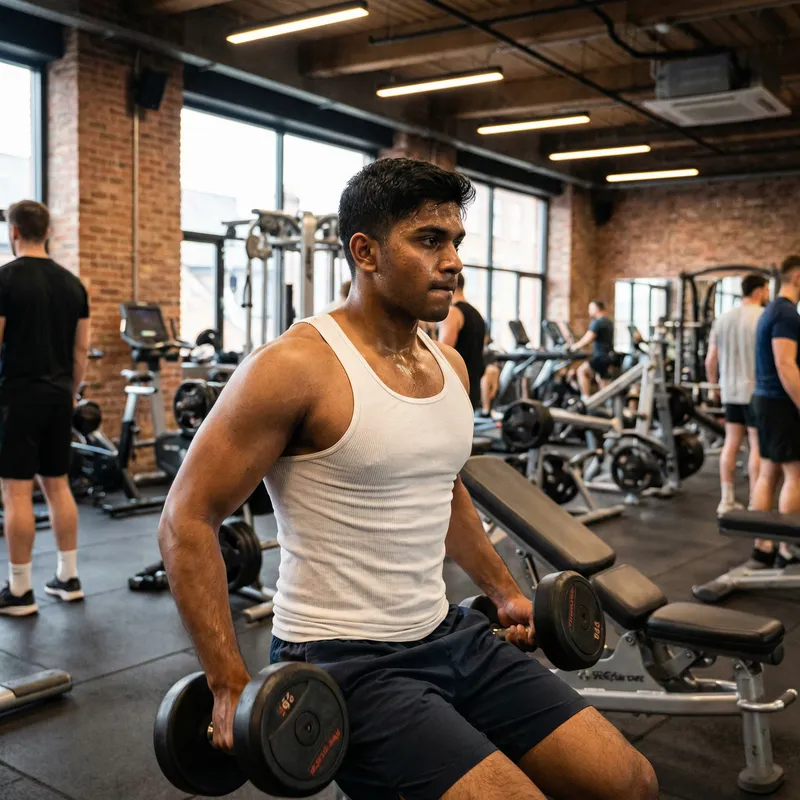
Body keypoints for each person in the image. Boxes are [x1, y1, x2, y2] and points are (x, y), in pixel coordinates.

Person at [158, 159, 657, 800]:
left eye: (455, 243)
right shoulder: (293, 368)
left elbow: (444, 489)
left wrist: (503, 592)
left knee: (631, 783)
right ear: (365, 251)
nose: (451, 261)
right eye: (429, 241)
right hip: (345, 664)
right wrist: (228, 681)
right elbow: (186, 518)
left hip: (451, 634)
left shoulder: (448, 363)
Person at [0, 201, 90, 616]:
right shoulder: (73, 285)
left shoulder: (6, 278)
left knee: (16, 490)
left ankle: (20, 592)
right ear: (47, 232)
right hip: (58, 396)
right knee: (58, 485)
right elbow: (81, 349)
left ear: (14, 232)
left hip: (17, 396)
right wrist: (70, 393)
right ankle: (68, 578)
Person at [750, 256, 800, 569]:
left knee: (769, 472)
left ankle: (763, 547)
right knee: (796, 473)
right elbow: (785, 364)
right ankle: (787, 549)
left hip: (766, 400)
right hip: (780, 402)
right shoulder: (786, 314)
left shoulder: (772, 310)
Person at [705, 274, 770, 515]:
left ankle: (727, 499)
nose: (767, 294)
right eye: (766, 290)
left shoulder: (723, 318)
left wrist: (714, 387)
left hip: (729, 390)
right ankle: (756, 501)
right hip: (756, 391)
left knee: (731, 443)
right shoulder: (763, 317)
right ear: (758, 291)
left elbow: (710, 359)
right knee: (755, 445)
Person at [438, 272, 486, 411]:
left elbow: (441, 354)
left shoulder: (453, 312)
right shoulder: (477, 314)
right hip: (472, 384)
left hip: (457, 386)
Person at [570, 300, 616, 399]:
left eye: (590, 309)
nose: (589, 311)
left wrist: (575, 346)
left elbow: (588, 338)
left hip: (601, 356)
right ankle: (606, 403)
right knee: (602, 380)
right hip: (609, 356)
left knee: (582, 371)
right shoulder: (608, 322)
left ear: (597, 309)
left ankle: (586, 399)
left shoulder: (597, 322)